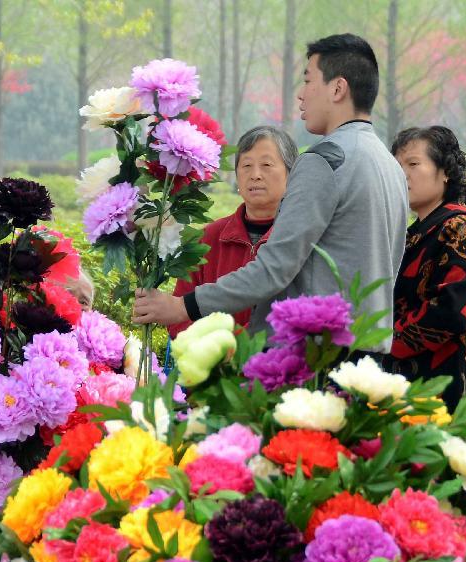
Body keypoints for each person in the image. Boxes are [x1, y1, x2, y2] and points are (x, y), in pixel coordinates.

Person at [134, 33, 407, 358]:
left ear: (338, 88)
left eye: (308, 81)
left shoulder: (326, 160)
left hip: (314, 357)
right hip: (367, 352)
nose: (302, 95)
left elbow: (274, 267)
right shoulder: (390, 167)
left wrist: (183, 306)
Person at [384, 125, 466, 449]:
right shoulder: (412, 234)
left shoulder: (461, 229)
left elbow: (451, 314)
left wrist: (381, 341)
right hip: (418, 393)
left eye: (413, 164)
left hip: (458, 399)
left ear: (444, 172)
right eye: (396, 166)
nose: (402, 175)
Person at [167, 125, 298, 338]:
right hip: (213, 365)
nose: (255, 175)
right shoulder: (207, 238)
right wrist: (214, 351)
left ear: (291, 175)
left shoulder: (300, 238)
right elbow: (178, 316)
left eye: (266, 164)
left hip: (281, 363)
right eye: (246, 165)